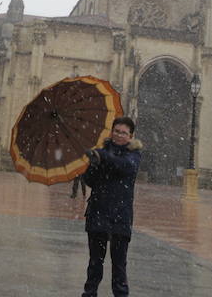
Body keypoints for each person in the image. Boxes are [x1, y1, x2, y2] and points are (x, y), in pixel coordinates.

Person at [80, 116, 142, 297]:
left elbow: (126, 166)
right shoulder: (100, 153)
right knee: (94, 263)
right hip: (98, 211)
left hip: (120, 215)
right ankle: (89, 294)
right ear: (111, 132)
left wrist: (103, 157)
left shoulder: (134, 154)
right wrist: (93, 165)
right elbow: (89, 180)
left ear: (130, 136)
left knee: (119, 265)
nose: (119, 135)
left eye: (124, 133)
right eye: (116, 131)